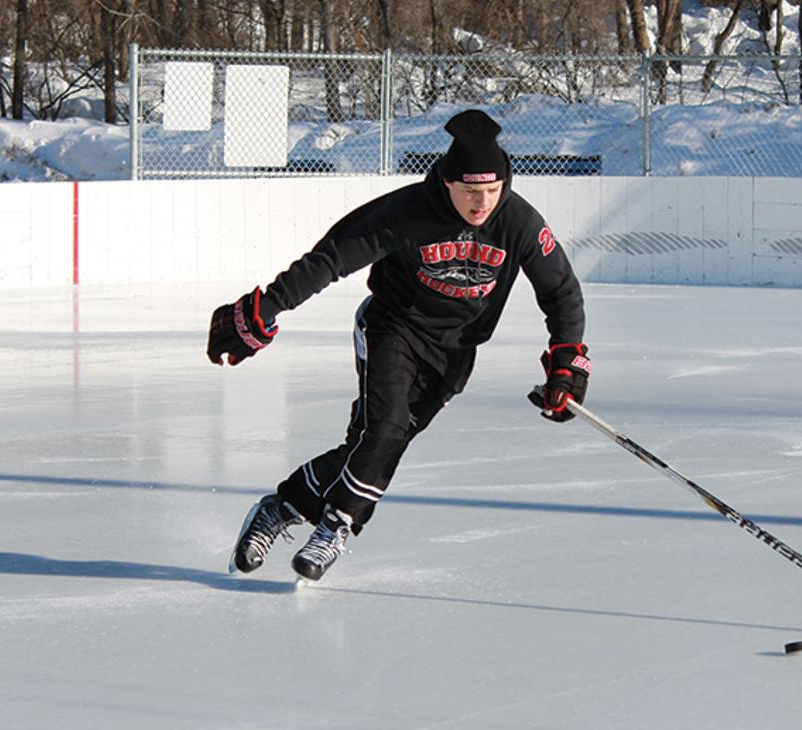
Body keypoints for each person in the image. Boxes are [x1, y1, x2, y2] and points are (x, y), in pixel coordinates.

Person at [207, 109, 590, 582]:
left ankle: (282, 507)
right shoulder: (408, 212)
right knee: (385, 431)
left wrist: (567, 366)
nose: (481, 202)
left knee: (375, 444)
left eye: (492, 190)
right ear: (447, 182)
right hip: (392, 328)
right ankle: (338, 523)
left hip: (453, 352)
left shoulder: (519, 223)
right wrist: (265, 308)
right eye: (471, 191)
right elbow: (331, 259)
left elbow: (561, 292)